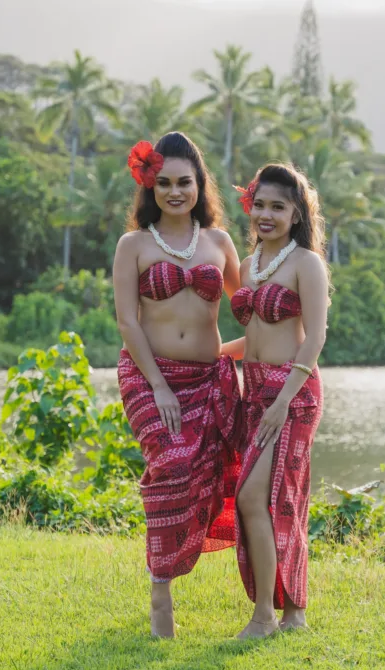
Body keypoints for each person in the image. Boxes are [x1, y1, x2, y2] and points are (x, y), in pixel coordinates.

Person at [113, 132, 245, 639]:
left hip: (206, 378)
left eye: (184, 182)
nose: (174, 191)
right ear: (149, 185)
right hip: (150, 376)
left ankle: (175, 567)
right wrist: (160, 387)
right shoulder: (135, 245)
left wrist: (227, 357)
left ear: (199, 185)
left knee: (208, 477)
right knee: (169, 465)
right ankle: (160, 588)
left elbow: (249, 312)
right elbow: (128, 322)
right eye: (163, 182)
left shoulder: (217, 243)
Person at [230, 163, 330, 639]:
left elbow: (314, 338)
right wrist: (212, 354)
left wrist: (283, 399)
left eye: (278, 207)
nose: (266, 215)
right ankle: (293, 613)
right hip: (256, 390)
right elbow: (252, 338)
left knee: (255, 496)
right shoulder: (250, 266)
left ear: (296, 213)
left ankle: (264, 616)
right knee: (278, 500)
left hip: (292, 392)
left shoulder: (305, 263)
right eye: (261, 205)